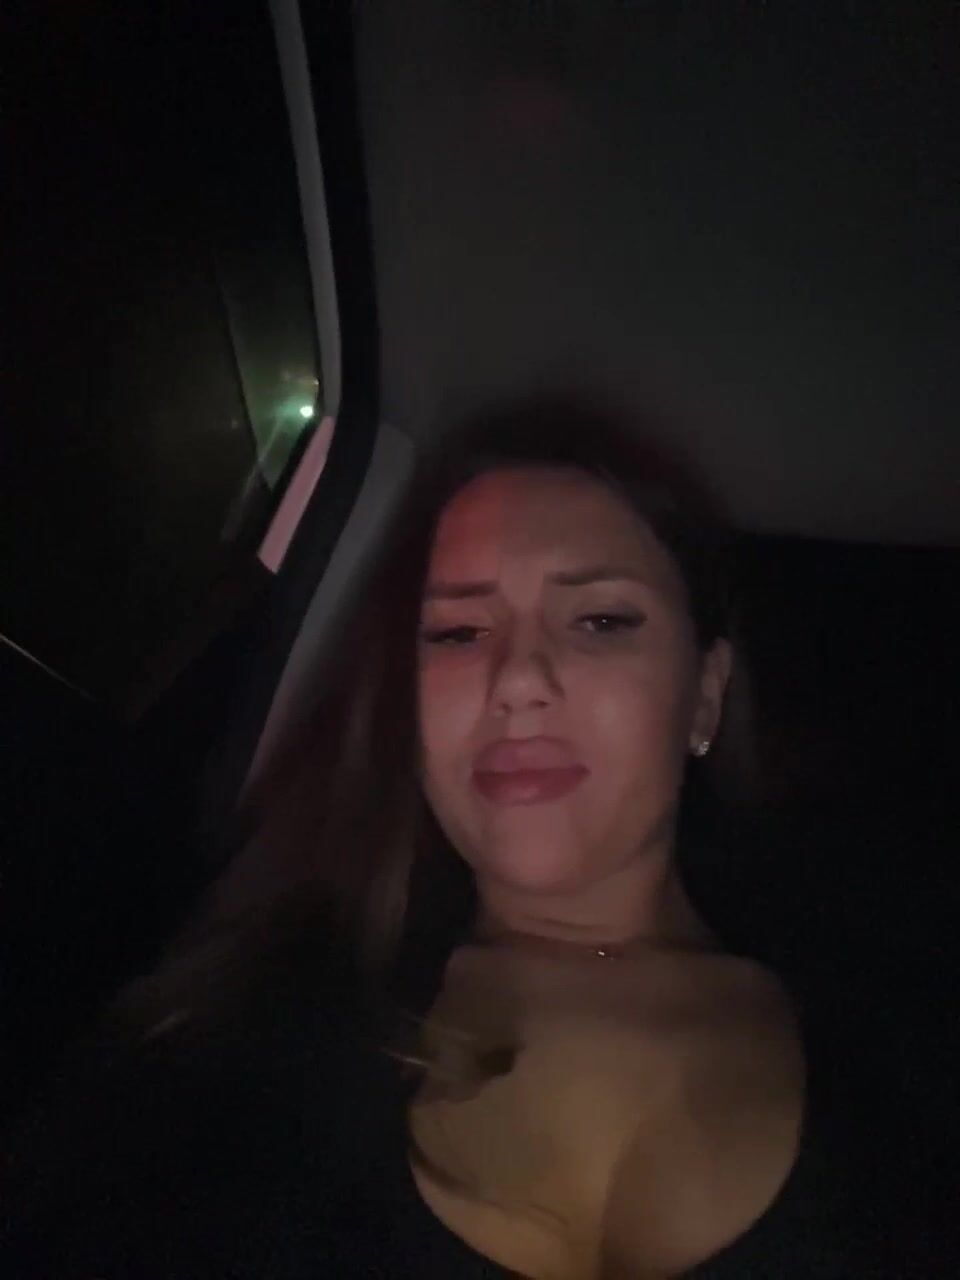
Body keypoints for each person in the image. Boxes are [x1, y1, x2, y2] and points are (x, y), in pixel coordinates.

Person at [2, 397, 897, 1277]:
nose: (517, 679)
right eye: (460, 632)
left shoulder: (894, 1016)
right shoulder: (230, 1042)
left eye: (599, 621)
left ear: (704, 694)